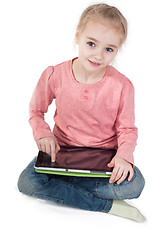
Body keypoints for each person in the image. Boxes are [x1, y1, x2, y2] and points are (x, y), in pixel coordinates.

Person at [17, 3, 145, 222]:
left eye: (109, 49)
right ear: (78, 35)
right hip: (62, 152)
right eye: (91, 43)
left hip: (103, 157)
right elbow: (36, 110)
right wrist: (43, 134)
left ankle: (64, 187)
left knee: (135, 185)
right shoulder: (54, 74)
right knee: (26, 182)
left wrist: (124, 157)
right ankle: (106, 206)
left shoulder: (122, 86)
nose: (98, 55)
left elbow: (127, 129)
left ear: (117, 48)